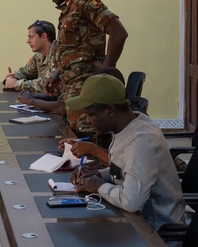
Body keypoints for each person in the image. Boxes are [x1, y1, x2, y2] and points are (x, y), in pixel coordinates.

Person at [64, 74, 185, 231]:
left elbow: (131, 201)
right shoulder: (131, 124)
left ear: (111, 110)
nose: (87, 120)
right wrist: (98, 175)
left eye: (91, 114)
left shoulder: (140, 142)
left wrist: (96, 185)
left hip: (156, 236)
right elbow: (128, 169)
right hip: (136, 223)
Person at [41, 0, 128, 134]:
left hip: (87, 88)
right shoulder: (69, 8)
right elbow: (73, 49)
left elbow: (119, 34)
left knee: (88, 141)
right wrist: (58, 74)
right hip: (72, 89)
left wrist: (104, 74)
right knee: (75, 140)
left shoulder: (86, 3)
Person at [3, 20, 57, 93]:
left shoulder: (58, 55)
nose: (28, 41)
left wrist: (17, 84)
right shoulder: (39, 56)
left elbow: (48, 84)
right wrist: (13, 78)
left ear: (44, 37)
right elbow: (26, 72)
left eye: (31, 37)